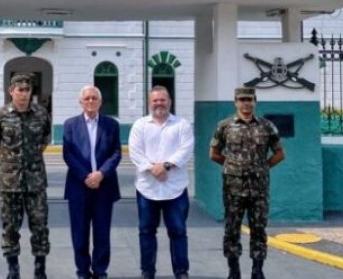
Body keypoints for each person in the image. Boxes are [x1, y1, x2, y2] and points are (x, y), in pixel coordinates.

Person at [209, 86, 286, 279]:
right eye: (242, 100)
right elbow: (214, 154)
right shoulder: (224, 126)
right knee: (232, 229)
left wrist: (263, 167)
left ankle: (257, 270)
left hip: (258, 189)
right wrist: (231, 166)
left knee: (259, 230)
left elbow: (279, 154)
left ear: (255, 101)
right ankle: (233, 270)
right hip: (233, 189)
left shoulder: (266, 126)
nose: (246, 103)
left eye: (249, 99)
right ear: (235, 102)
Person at [0, 73, 52, 279]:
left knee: (40, 225)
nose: (24, 94)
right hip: (9, 183)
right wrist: (10, 164)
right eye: (20, 90)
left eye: (27, 90)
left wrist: (29, 162)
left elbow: (44, 141)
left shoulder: (42, 114)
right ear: (11, 91)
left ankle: (40, 268)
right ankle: (13, 268)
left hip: (35, 182)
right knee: (10, 227)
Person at [128, 86, 193, 279]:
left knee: (178, 232)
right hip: (147, 188)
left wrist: (165, 166)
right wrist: (152, 168)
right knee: (146, 231)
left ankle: (181, 272)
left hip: (175, 189)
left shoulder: (182, 124)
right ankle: (147, 271)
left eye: (162, 100)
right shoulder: (140, 125)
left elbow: (186, 150)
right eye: (155, 100)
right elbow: (135, 152)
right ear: (149, 103)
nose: (159, 103)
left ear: (170, 101)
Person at [63, 85, 122, 279]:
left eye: (94, 98)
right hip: (78, 187)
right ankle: (82, 271)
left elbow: (116, 153)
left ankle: (100, 270)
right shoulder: (70, 124)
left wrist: (100, 174)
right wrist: (86, 176)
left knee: (102, 233)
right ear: (81, 102)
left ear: (100, 101)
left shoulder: (111, 125)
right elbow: (68, 154)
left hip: (104, 187)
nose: (90, 101)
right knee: (79, 234)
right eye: (87, 98)